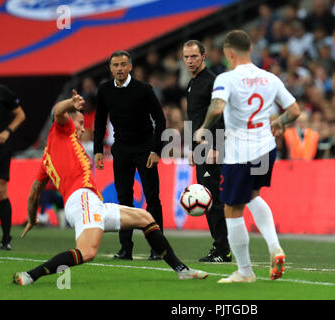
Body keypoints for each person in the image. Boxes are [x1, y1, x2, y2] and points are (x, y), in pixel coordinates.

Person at [13, 91, 207, 285]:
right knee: (87, 252)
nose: (82, 128)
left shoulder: (47, 159)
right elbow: (57, 111)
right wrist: (70, 103)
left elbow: (34, 193)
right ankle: (30, 275)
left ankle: (182, 270)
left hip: (91, 202)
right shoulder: (62, 132)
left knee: (146, 219)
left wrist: (31, 218)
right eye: (80, 123)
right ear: (69, 121)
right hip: (82, 200)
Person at [195, 30, 300, 283]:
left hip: (240, 153)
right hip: (266, 148)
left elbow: (218, 107)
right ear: (249, 50)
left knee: (232, 208)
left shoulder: (226, 78)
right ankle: (275, 247)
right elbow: (294, 111)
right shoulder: (269, 78)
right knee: (253, 195)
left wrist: (202, 129)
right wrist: (280, 122)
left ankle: (245, 271)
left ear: (230, 53)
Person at [94, 50, 166, 261]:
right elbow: (99, 121)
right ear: (111, 68)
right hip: (122, 150)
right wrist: (98, 149)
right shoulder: (105, 90)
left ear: (131, 66)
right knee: (123, 201)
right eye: (116, 65)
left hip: (145, 150)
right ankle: (126, 249)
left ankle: (158, 249)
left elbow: (160, 121)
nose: (120, 69)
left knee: (152, 198)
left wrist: (156, 150)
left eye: (123, 64)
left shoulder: (144, 89)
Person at [182, 40, 231, 262]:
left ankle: (223, 250)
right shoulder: (192, 84)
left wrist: (214, 147)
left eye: (194, 56)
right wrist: (193, 148)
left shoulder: (212, 82)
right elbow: (195, 120)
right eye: (186, 57)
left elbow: (220, 115)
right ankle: (220, 247)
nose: (190, 61)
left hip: (213, 147)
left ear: (204, 56)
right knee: (209, 198)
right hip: (201, 148)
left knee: (213, 199)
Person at [0, 82, 26, 250]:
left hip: (0, 148)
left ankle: (6, 238)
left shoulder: (1, 92)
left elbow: (20, 115)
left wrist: (7, 131)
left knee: (0, 189)